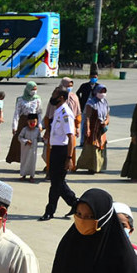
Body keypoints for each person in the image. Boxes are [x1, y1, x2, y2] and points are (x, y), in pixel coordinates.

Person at [39, 88, 78, 221]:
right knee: (58, 182)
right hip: (55, 149)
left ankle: (49, 211)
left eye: (54, 94)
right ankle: (75, 203)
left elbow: (71, 137)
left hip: (63, 151)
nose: (52, 97)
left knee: (56, 183)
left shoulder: (66, 113)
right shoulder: (58, 111)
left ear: (61, 97)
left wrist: (69, 158)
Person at [76, 83, 110, 174]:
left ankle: (99, 167)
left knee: (101, 146)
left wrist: (105, 122)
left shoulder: (105, 102)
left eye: (104, 91)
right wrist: (87, 129)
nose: (102, 93)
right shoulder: (91, 103)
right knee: (92, 147)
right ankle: (91, 167)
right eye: (101, 91)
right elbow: (87, 117)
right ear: (96, 92)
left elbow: (107, 115)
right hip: (93, 128)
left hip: (101, 129)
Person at [6, 82, 41, 164]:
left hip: (33, 122)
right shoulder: (20, 100)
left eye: (35, 90)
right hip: (23, 122)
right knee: (20, 141)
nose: (34, 92)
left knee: (31, 143)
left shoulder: (37, 99)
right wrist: (14, 126)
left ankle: (29, 163)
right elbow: (17, 113)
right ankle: (21, 161)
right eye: (32, 90)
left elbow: (39, 113)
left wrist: (39, 125)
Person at [18, 114, 41, 181]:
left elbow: (39, 138)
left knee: (32, 163)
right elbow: (19, 137)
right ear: (27, 122)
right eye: (31, 122)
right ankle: (23, 175)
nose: (32, 123)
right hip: (25, 149)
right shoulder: (24, 129)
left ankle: (32, 176)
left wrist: (44, 139)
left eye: (34, 122)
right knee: (24, 161)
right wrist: (26, 141)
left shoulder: (37, 130)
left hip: (33, 150)